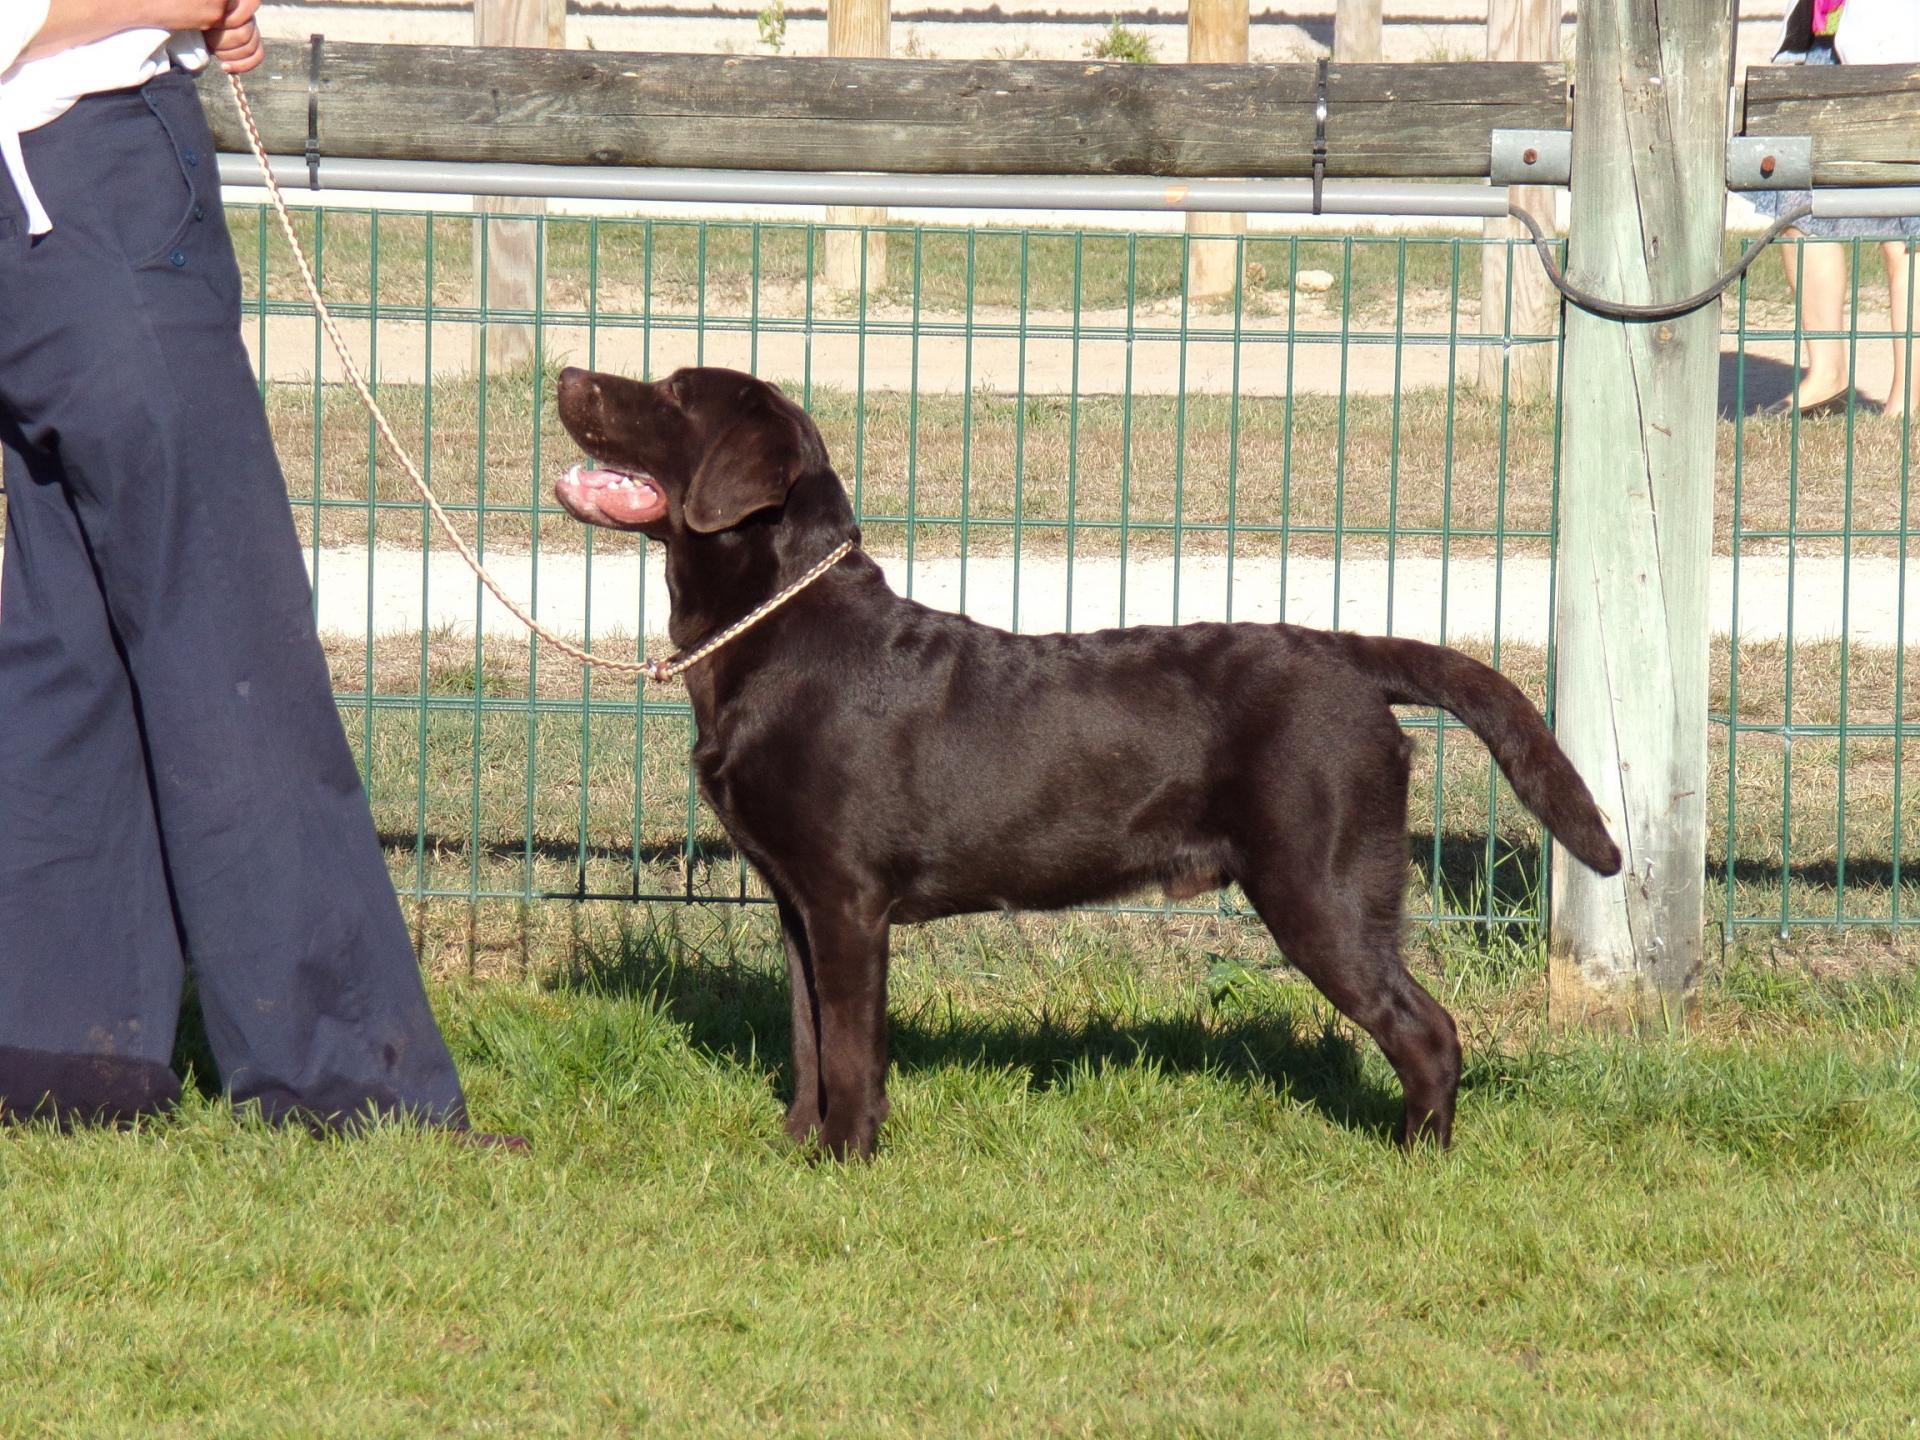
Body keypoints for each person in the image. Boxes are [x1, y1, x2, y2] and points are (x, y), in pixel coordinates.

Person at [0, 2, 516, 1145]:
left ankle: (58, 1061)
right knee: (226, 636)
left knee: (72, 633)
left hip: (59, 191)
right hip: (89, 185)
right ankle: (342, 1082)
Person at [1752, 0, 1920, 420]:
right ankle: (1826, 374)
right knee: (1799, 210)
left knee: (1909, 229)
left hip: (1903, 38)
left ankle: (1908, 397)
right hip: (1822, 38)